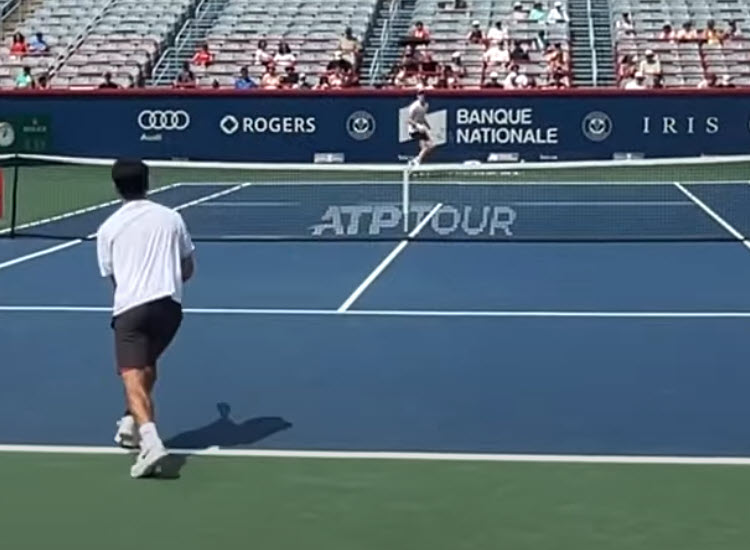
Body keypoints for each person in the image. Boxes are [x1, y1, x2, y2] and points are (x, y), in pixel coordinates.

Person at [97, 159, 195, 478]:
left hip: (131, 311)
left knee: (131, 375)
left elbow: (114, 280)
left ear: (116, 188)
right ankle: (130, 423)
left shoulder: (108, 228)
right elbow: (188, 269)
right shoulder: (172, 218)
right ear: (147, 182)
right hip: (170, 310)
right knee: (146, 366)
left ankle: (151, 444)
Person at [407, 88, 434, 165]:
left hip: (421, 129)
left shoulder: (426, 105)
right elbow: (409, 120)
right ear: (417, 96)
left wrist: (428, 125)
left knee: (428, 147)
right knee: (428, 146)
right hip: (413, 130)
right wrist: (417, 126)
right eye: (420, 95)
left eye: (423, 95)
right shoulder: (414, 107)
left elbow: (422, 117)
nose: (422, 96)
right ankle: (417, 160)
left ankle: (415, 161)